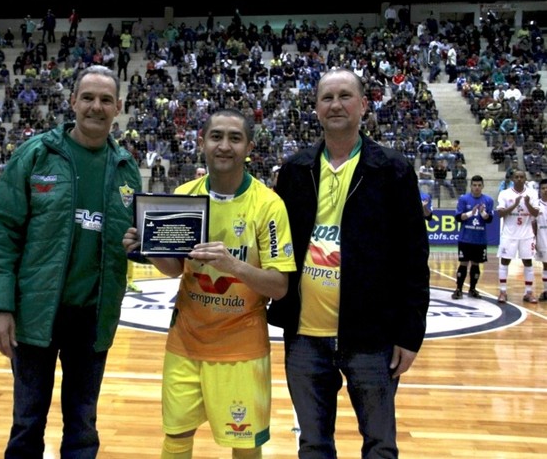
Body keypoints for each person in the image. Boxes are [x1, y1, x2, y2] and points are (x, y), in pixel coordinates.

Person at [0, 65, 142, 458]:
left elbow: (131, 240)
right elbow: (1, 231)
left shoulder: (127, 170)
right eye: (88, 97)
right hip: (36, 314)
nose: (96, 107)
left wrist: (140, 243)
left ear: (118, 107)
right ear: (72, 102)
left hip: (93, 317)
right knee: (28, 421)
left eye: (106, 99)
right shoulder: (36, 155)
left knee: (83, 424)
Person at [268, 67, 430, 458]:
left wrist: (410, 334)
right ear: (316, 108)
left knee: (379, 445)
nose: (335, 104)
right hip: (305, 336)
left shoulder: (393, 170)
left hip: (371, 337)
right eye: (327, 98)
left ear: (363, 105)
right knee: (313, 444)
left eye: (344, 96)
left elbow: (414, 257)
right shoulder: (295, 169)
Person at [123, 108, 296, 459]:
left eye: (235, 138)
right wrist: (147, 249)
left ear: (249, 147)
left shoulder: (268, 205)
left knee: (245, 445)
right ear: (202, 142)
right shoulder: (183, 195)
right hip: (185, 341)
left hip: (241, 347)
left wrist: (233, 265)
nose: (224, 146)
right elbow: (173, 269)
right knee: (176, 436)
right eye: (216, 136)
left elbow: (279, 286)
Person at [496, 169, 539, 304]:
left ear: (525, 179)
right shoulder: (505, 193)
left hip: (526, 234)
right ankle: (503, 291)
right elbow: (500, 214)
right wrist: (515, 204)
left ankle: (528, 292)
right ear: (513, 179)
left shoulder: (531, 193)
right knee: (505, 261)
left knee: (527, 262)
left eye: (522, 177)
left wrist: (526, 204)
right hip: (509, 234)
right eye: (517, 177)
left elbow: (536, 214)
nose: (519, 179)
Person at [451, 175, 495, 299]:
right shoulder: (464, 199)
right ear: (470, 186)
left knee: (476, 264)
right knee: (463, 263)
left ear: (482, 186)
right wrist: (471, 213)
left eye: (479, 185)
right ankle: (458, 289)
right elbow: (458, 218)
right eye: (474, 185)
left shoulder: (488, 200)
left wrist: (483, 213)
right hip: (465, 238)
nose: (477, 188)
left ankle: (472, 289)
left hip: (480, 239)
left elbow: (489, 219)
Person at [533, 178, 547, 301]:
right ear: (540, 190)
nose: (545, 190)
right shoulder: (536, 205)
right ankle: (546, 290)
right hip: (542, 238)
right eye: (543, 188)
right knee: (546, 265)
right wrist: (535, 239)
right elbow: (533, 223)